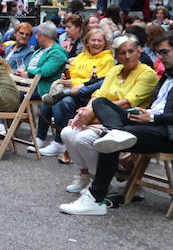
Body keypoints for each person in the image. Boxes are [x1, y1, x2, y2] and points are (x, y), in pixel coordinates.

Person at [59, 31, 173, 216]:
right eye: (158, 53)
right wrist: (145, 114)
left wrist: (152, 118)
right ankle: (116, 132)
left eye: (164, 52)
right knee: (101, 103)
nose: (160, 57)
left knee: (111, 141)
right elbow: (157, 105)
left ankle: (95, 198)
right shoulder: (168, 75)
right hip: (151, 124)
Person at [59, 35, 159, 193]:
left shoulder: (147, 74)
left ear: (139, 52)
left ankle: (99, 181)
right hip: (101, 116)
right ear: (117, 56)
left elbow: (127, 102)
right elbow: (98, 95)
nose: (127, 56)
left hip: (127, 120)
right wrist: (85, 111)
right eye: (122, 53)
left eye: (131, 51)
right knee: (67, 132)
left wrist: (93, 111)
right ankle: (84, 176)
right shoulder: (115, 70)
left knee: (83, 138)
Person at [36, 28, 115, 157]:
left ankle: (60, 143)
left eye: (99, 41)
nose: (96, 43)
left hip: (89, 95)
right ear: (87, 42)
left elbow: (96, 82)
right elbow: (70, 71)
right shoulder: (83, 55)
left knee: (62, 102)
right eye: (93, 40)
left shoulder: (107, 59)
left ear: (105, 43)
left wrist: (72, 82)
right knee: (47, 101)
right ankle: (40, 138)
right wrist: (64, 78)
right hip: (70, 89)